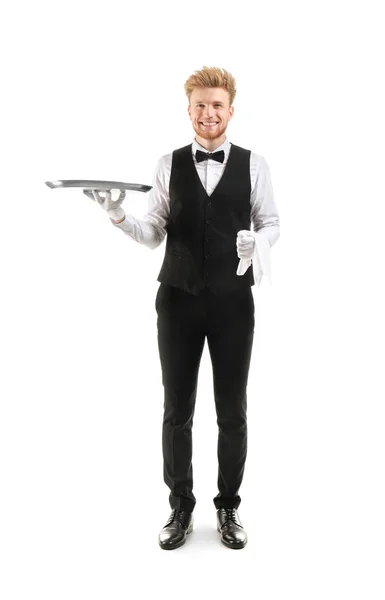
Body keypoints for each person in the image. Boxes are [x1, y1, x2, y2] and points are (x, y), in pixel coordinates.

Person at [84, 66, 280, 550]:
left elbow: (272, 221)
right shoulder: (166, 164)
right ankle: (180, 508)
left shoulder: (256, 165)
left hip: (235, 304)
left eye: (217, 105)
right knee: (177, 411)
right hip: (177, 301)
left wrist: (259, 242)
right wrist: (117, 214)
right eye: (200, 105)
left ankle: (229, 507)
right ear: (188, 109)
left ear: (231, 110)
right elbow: (152, 233)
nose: (208, 113)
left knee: (232, 411)